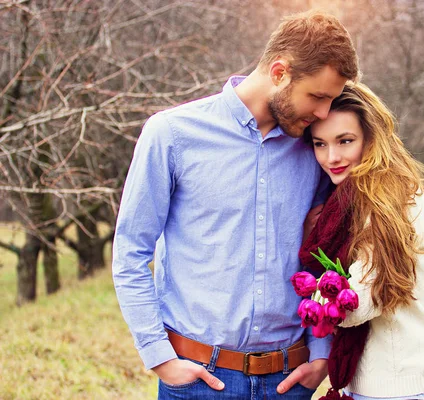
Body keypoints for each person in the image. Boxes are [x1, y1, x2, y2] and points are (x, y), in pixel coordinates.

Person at [112, 10, 359, 399]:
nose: (324, 114)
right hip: (199, 381)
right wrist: (159, 357)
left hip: (289, 381)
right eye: (317, 97)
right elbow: (130, 252)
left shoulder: (314, 149)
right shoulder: (172, 134)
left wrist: (321, 354)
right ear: (279, 72)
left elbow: (323, 255)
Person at [299, 83, 424, 400]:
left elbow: (358, 303)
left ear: (371, 139)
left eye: (345, 141)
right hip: (377, 386)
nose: (332, 157)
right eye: (320, 144)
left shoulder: (389, 202)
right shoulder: (347, 199)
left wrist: (313, 293)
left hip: (403, 389)